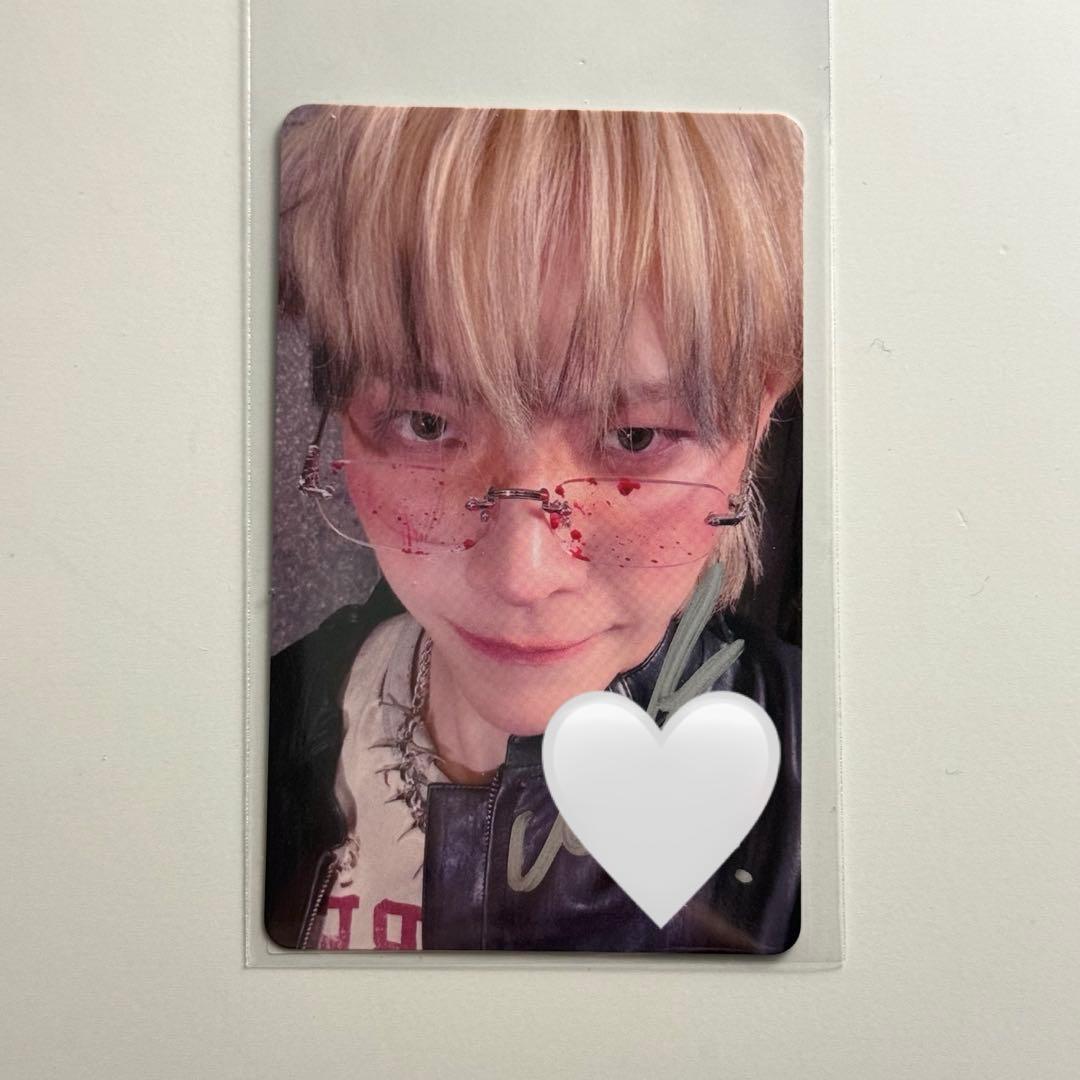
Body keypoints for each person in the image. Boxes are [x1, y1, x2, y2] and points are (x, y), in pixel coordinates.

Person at [265, 105, 803, 952]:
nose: (520, 574)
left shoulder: (857, 788)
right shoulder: (254, 731)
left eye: (636, 438)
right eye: (425, 424)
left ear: (761, 409)